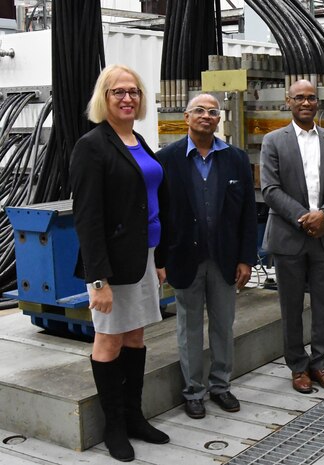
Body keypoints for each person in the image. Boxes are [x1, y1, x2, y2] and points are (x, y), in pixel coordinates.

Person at [70, 64, 170, 462]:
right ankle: (114, 425)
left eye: (133, 91)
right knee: (109, 340)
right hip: (112, 265)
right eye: (118, 92)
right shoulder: (92, 146)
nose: (127, 98)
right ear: (104, 98)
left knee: (136, 337)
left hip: (143, 257)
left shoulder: (138, 140)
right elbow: (87, 218)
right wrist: (98, 281)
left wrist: (159, 258)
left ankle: (133, 417)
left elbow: (151, 201)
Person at [157, 94, 257, 419]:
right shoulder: (166, 160)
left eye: (212, 112)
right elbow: (160, 213)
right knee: (188, 326)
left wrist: (246, 258)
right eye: (199, 110)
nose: (206, 116)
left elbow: (246, 214)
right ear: (186, 117)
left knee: (223, 325)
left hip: (224, 259)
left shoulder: (236, 159)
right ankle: (193, 392)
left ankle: (221, 386)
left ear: (219, 120)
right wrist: (161, 260)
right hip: (184, 258)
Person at [260, 79, 324, 393]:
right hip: (289, 237)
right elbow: (270, 189)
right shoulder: (273, 141)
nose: (306, 103)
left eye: (311, 98)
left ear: (318, 101)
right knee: (292, 306)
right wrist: (304, 218)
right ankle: (298, 367)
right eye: (299, 97)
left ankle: (320, 363)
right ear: (289, 101)